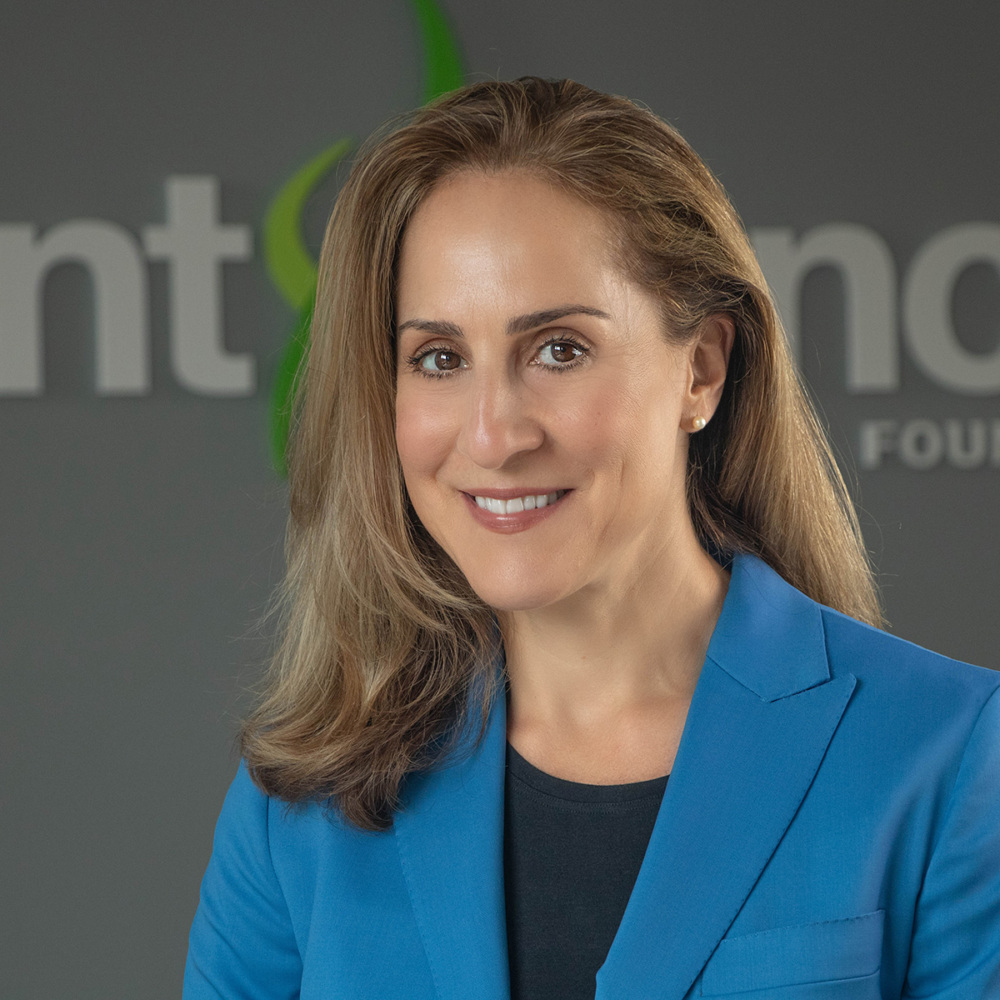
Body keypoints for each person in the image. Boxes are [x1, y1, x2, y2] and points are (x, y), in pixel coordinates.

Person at [183, 78, 1000, 999]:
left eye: (559, 349)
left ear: (702, 369)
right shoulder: (300, 809)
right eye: (440, 359)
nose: (494, 436)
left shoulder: (954, 754)